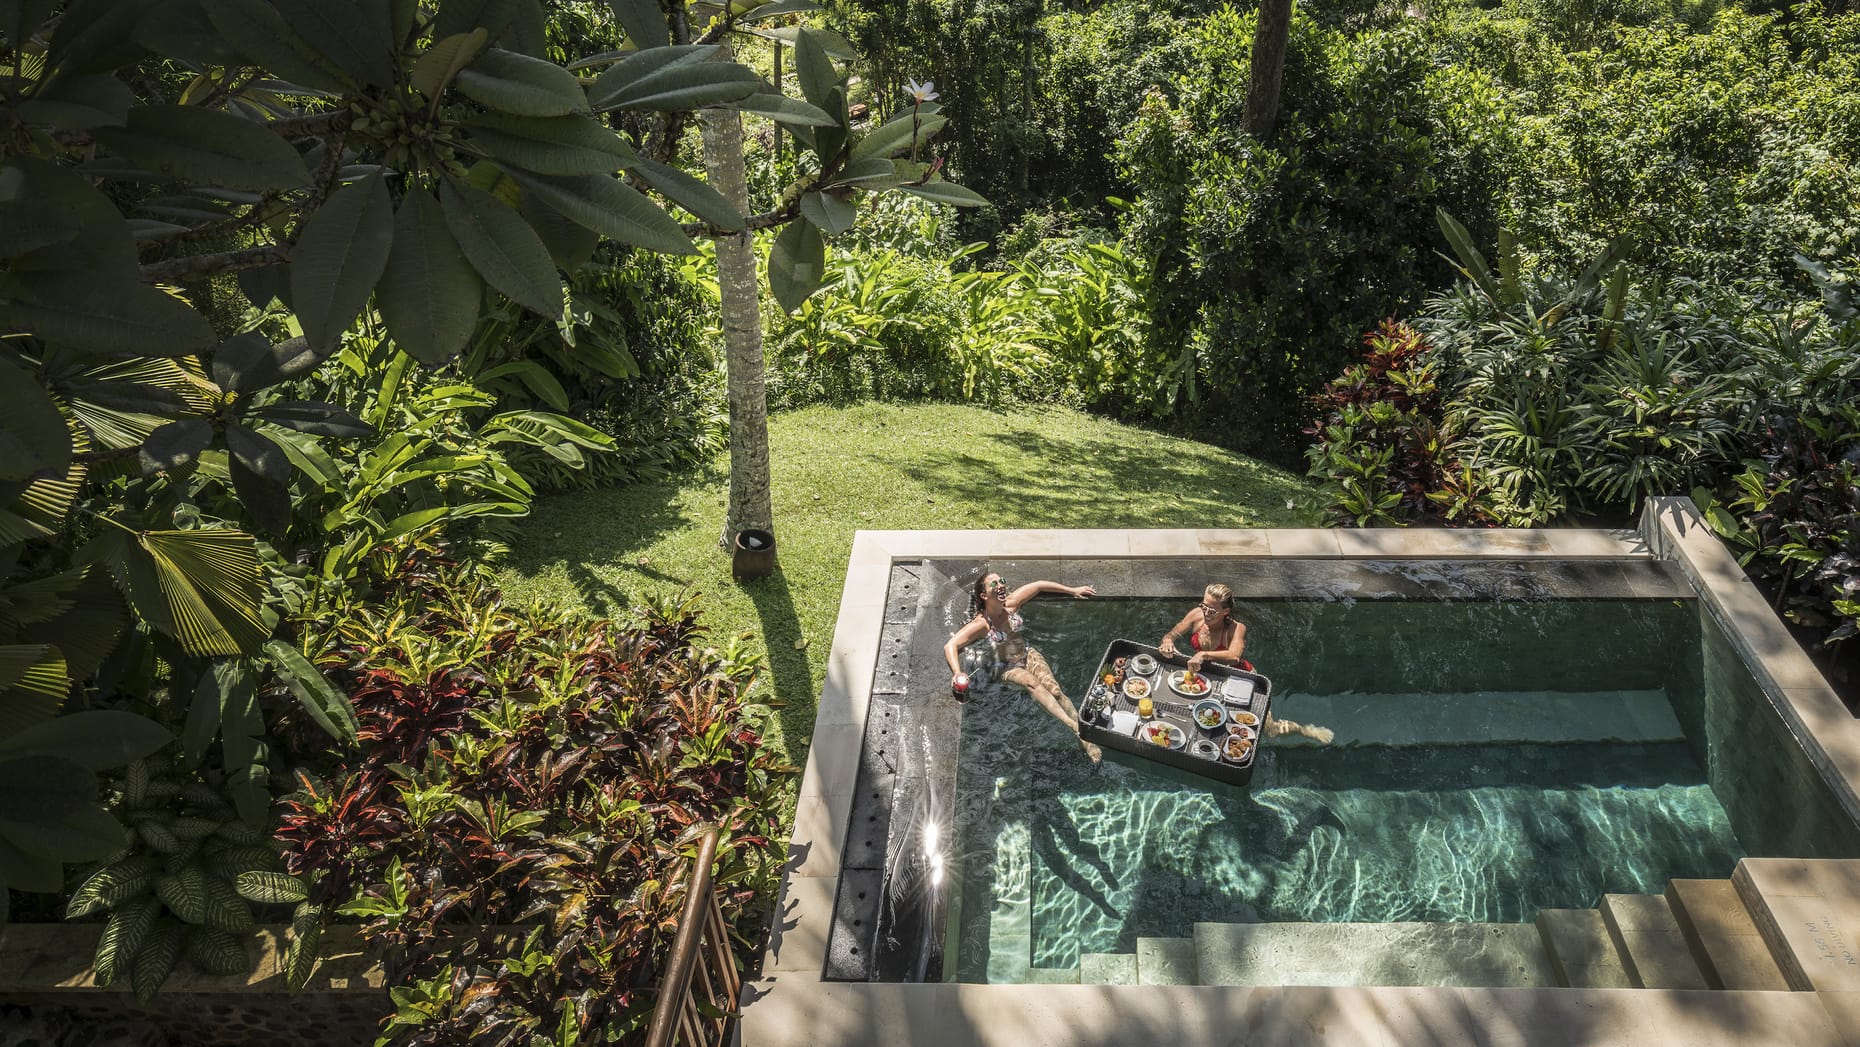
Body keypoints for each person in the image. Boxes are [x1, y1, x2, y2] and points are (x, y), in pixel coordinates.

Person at [946, 570, 1103, 762]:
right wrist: (957, 673)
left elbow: (1038, 585)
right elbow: (951, 645)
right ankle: (1077, 730)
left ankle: (1083, 732)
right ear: (984, 595)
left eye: (1001, 581)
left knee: (1056, 692)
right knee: (1031, 682)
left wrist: (1072, 590)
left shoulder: (1011, 604)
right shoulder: (982, 625)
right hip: (1004, 666)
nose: (1001, 585)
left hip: (1027, 654)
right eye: (994, 584)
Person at [1159, 584, 1334, 745]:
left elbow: (1235, 656)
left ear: (1226, 611)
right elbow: (1173, 633)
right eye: (1204, 606)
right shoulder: (1196, 615)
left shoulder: (1237, 628)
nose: (1205, 612)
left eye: (1212, 610)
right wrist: (1167, 641)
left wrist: (1203, 654)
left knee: (1270, 731)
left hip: (1241, 675)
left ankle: (1306, 730)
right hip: (1211, 675)